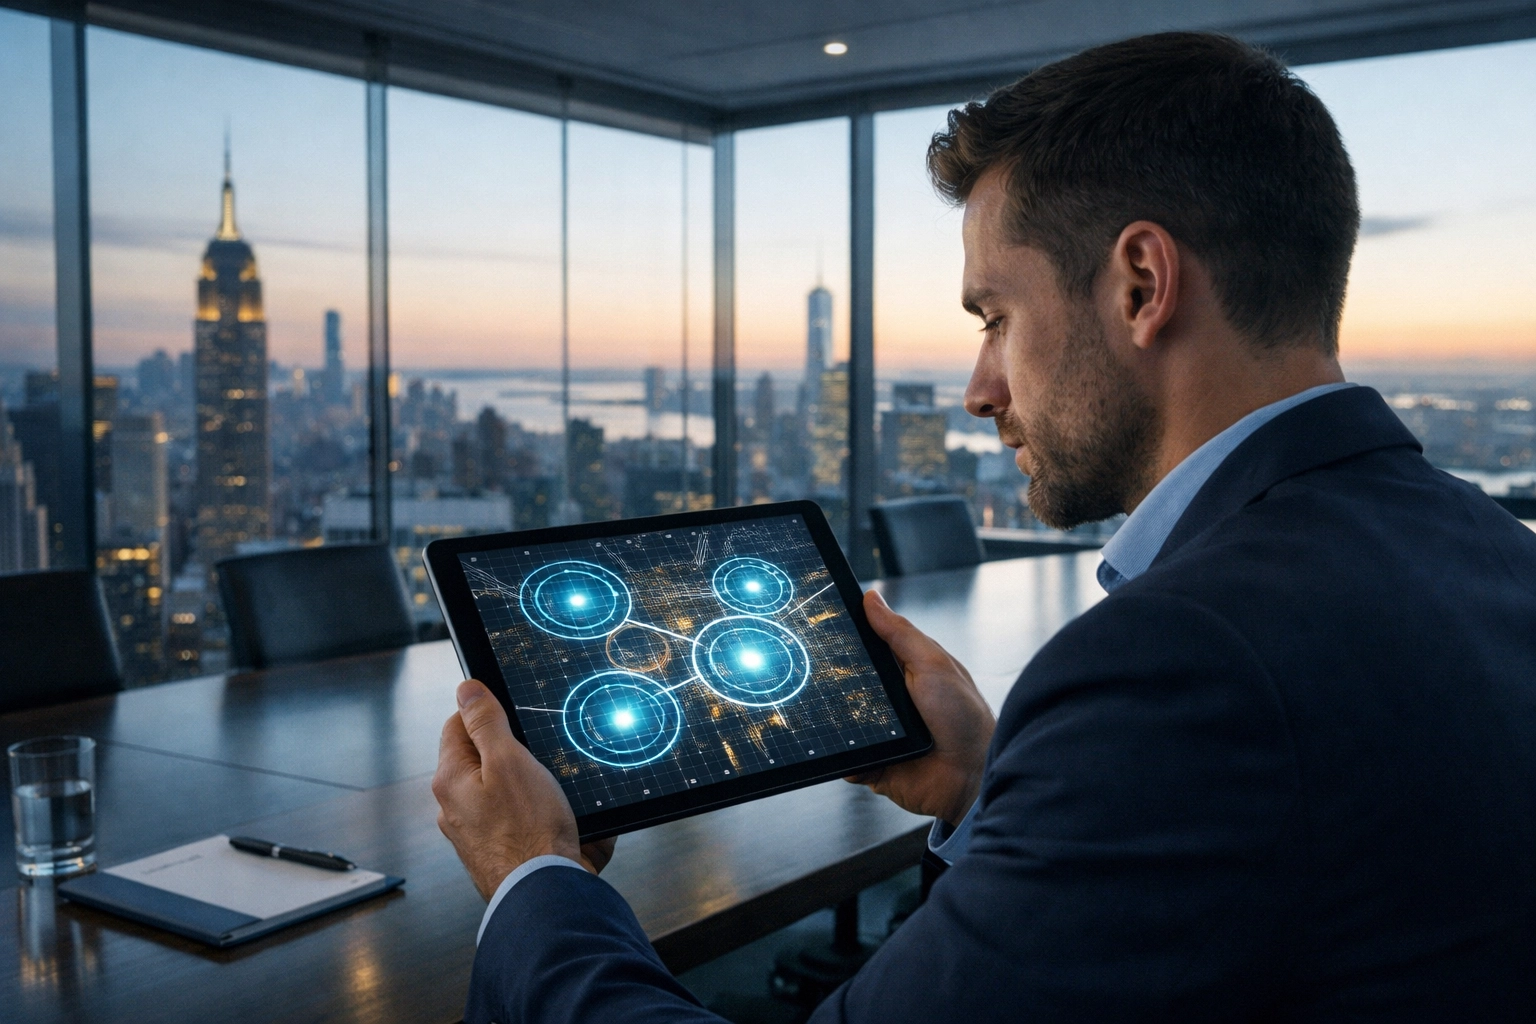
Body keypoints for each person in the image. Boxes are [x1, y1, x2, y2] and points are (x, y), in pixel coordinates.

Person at [433, 32, 1536, 1022]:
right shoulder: (1491, 554)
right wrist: (990, 781)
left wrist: (536, 879)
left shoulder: (1181, 663)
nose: (977, 388)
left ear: (1143, 284)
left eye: (996, 318)